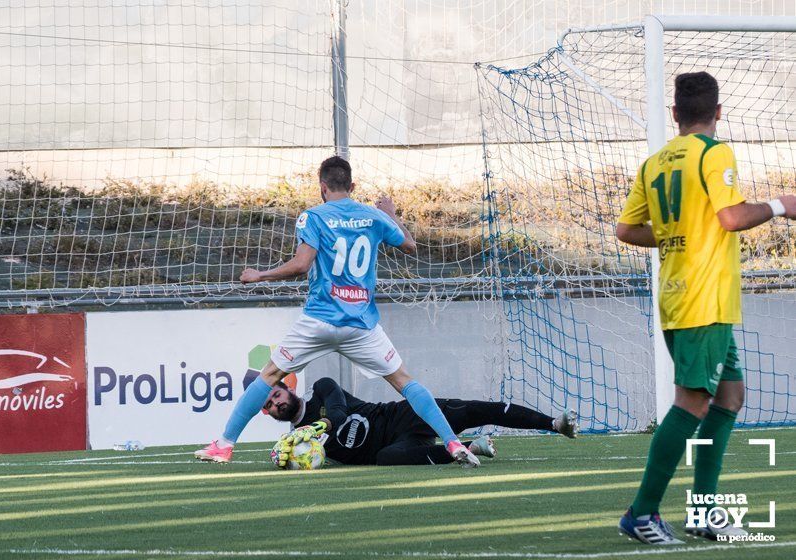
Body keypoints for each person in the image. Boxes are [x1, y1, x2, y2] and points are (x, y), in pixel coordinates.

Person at [196, 156, 481, 467]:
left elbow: (302, 265)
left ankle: (224, 445)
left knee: (269, 375)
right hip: (361, 324)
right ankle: (453, 443)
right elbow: (410, 245)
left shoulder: (313, 217)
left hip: (319, 319)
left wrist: (260, 275)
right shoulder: (373, 216)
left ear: (322, 187)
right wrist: (391, 215)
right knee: (404, 381)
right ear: (352, 186)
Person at [615, 71, 796, 545]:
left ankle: (703, 512)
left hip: (682, 297)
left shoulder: (654, 163)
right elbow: (732, 218)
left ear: (674, 113)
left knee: (729, 397)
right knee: (692, 403)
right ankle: (642, 513)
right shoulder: (715, 154)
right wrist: (782, 204)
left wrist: (679, 235)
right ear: (718, 112)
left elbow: (626, 230)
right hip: (703, 300)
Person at [265, 378, 578, 467]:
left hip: (399, 415)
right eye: (269, 405)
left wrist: (318, 428)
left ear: (287, 387)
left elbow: (338, 412)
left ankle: (553, 423)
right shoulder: (297, 441)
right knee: (385, 459)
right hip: (392, 448)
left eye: (276, 395)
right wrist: (288, 458)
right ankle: (471, 448)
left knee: (469, 411)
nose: (276, 403)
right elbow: (310, 461)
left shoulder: (321, 387)